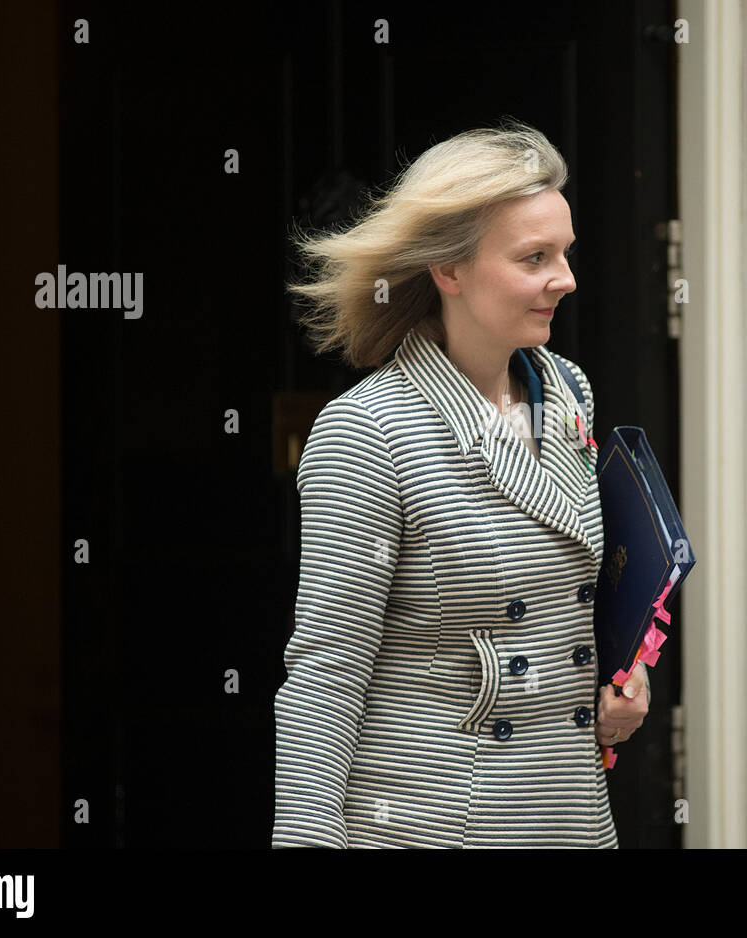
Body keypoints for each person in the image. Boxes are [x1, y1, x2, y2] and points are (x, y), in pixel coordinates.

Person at [272, 120, 649, 849]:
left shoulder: (570, 392)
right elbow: (325, 674)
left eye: (564, 253)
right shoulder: (369, 433)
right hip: (436, 825)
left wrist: (618, 685)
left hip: (571, 817)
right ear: (449, 270)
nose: (565, 279)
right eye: (534, 257)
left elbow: (565, 612)